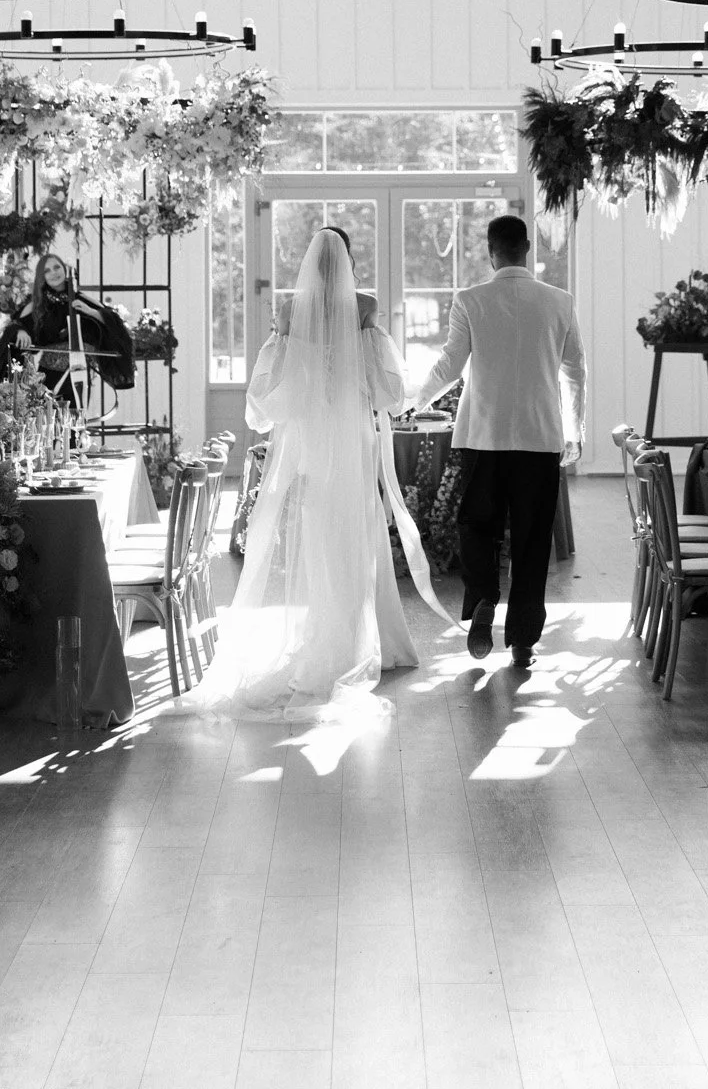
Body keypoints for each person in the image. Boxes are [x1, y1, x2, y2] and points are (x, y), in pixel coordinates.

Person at [186, 226, 448, 721]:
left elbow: (269, 394)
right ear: (348, 260)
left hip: (310, 440)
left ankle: (323, 639)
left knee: (318, 537)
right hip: (350, 438)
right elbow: (389, 390)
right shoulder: (365, 308)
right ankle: (366, 641)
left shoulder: (290, 313)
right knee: (357, 532)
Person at [409, 212, 585, 669]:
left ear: (491, 253)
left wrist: (410, 403)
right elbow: (575, 372)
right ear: (527, 248)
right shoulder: (560, 301)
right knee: (531, 539)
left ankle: (484, 598)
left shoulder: (470, 299)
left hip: (482, 436)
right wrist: (575, 430)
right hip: (539, 437)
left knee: (476, 525)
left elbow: (450, 365)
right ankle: (524, 639)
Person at [0, 253, 135, 403]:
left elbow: (113, 322)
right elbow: (15, 324)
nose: (54, 273)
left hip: (81, 372)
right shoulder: (37, 304)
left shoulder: (81, 298)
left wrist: (91, 312)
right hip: (51, 374)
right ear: (42, 276)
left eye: (57, 267)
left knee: (77, 419)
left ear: (64, 269)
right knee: (52, 418)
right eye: (47, 271)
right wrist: (20, 331)